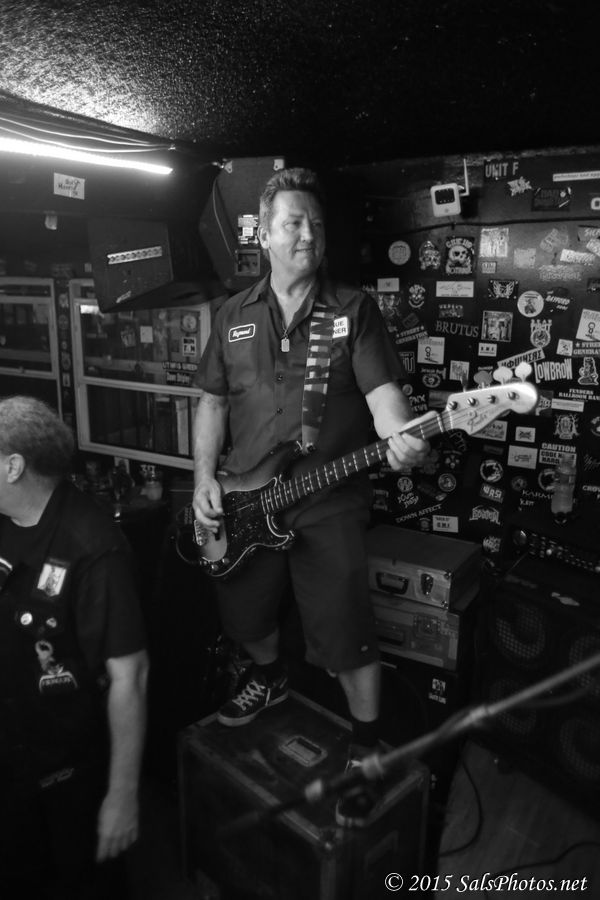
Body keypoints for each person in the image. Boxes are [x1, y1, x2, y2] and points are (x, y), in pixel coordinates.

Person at [192, 167, 429, 827]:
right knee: (244, 615)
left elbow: (385, 402)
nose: (308, 235)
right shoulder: (231, 314)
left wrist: (402, 437)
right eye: (294, 223)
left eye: (317, 225)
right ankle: (269, 678)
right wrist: (204, 477)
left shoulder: (353, 310)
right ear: (263, 234)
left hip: (328, 497)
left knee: (347, 627)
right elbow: (211, 402)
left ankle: (367, 745)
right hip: (245, 497)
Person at [0, 396, 148, 898]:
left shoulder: (93, 548)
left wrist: (122, 796)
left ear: (13, 467)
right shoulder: (6, 519)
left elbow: (130, 677)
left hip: (68, 774)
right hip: (12, 759)